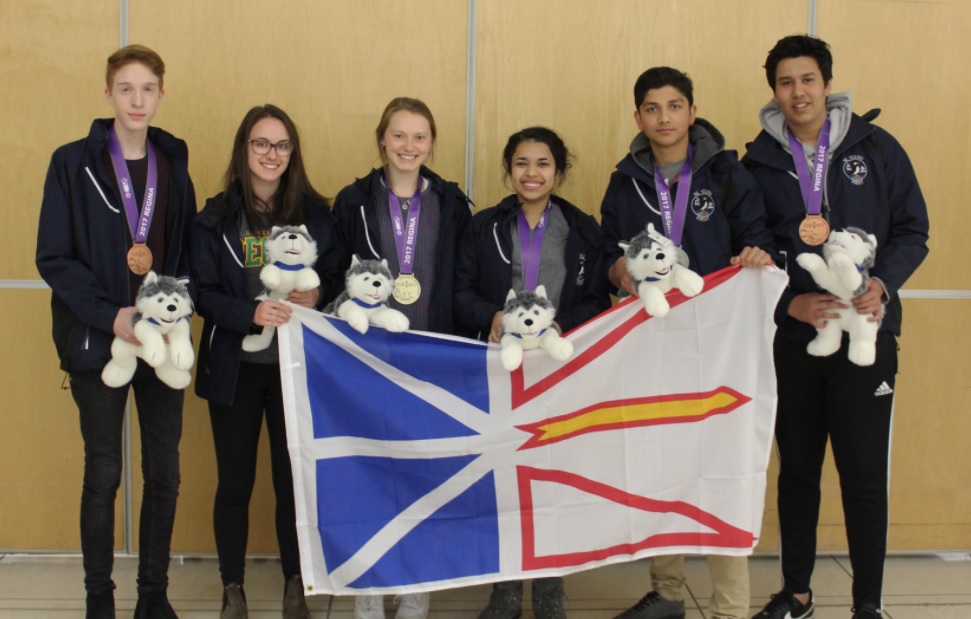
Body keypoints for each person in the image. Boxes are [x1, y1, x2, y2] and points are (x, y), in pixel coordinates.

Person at [742, 36, 929, 619]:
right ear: (774, 90)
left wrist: (884, 284)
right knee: (797, 471)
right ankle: (796, 592)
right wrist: (786, 307)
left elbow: (914, 231)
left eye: (808, 80)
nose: (798, 93)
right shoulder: (757, 163)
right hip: (797, 340)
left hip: (867, 335)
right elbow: (748, 249)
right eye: (786, 82)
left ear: (827, 84)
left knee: (865, 475)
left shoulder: (876, 148)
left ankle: (867, 602)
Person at [599, 67, 775, 619]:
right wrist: (618, 273)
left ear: (692, 113)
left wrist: (754, 255)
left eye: (675, 106)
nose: (664, 118)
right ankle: (669, 591)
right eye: (652, 108)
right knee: (661, 464)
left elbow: (759, 242)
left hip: (718, 344)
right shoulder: (624, 180)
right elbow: (608, 250)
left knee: (722, 466)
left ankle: (729, 607)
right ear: (638, 118)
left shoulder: (727, 173)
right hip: (651, 341)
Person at [35, 45, 195, 619]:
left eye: (146, 88)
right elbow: (53, 258)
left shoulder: (172, 164)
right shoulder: (71, 163)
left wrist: (169, 318)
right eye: (125, 88)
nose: (136, 99)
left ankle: (153, 597)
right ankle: (98, 599)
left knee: (166, 473)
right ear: (108, 94)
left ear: (160, 94)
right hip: (98, 339)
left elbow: (183, 254)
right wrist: (114, 317)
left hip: (161, 345)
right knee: (103, 472)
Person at [191, 105, 343, 619]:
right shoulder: (215, 217)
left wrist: (320, 291)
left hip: (298, 372)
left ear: (292, 153)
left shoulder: (319, 214)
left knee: (292, 483)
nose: (271, 155)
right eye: (260, 144)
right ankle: (232, 588)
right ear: (243, 150)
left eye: (281, 145)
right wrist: (249, 310)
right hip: (235, 368)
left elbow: (347, 277)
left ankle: (295, 585)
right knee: (234, 483)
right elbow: (203, 295)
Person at [454, 126, 612, 619]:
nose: (531, 173)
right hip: (501, 367)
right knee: (502, 478)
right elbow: (460, 292)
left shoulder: (582, 228)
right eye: (521, 163)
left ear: (558, 172)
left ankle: (547, 594)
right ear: (509, 170)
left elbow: (595, 299)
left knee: (549, 482)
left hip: (558, 368)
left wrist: (563, 325)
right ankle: (504, 593)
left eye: (543, 163)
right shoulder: (483, 227)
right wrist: (492, 319)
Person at [332, 97, 472, 619]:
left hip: (431, 356)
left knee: (423, 476)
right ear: (381, 140)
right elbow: (332, 276)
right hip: (368, 359)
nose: (408, 146)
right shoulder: (353, 202)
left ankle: (416, 585)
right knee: (369, 471)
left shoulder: (453, 203)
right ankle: (369, 584)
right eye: (398, 135)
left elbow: (462, 281)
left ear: (431, 142)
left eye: (418, 136)